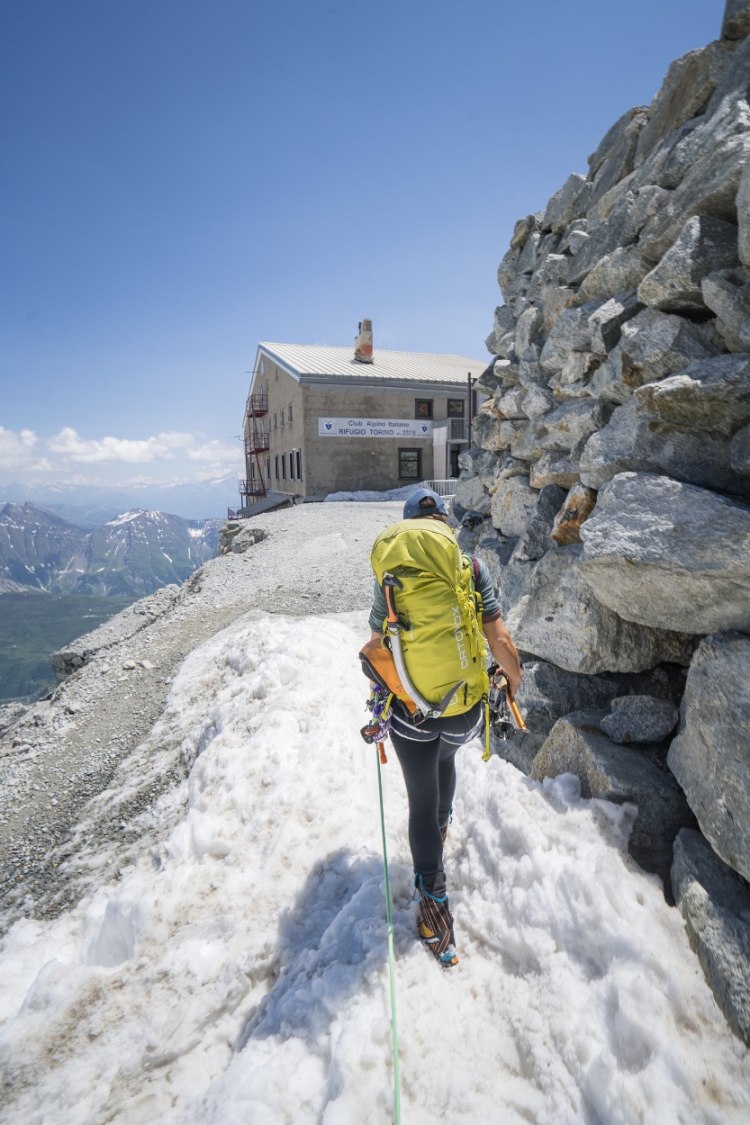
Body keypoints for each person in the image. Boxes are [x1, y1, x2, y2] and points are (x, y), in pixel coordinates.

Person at [367, 487, 522, 966]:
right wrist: (511, 681)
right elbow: (498, 637)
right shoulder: (471, 567)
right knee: (447, 757)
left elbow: (376, 642)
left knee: (420, 798)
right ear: (443, 525)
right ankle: (442, 826)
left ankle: (435, 911)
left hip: (412, 714)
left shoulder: (391, 576)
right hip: (464, 713)